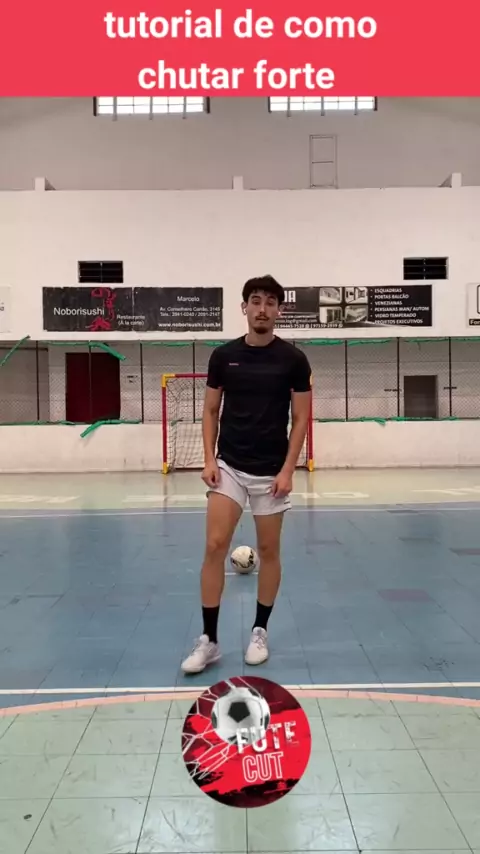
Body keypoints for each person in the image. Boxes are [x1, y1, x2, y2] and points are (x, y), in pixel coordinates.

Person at [181, 275, 312, 674]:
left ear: (279, 311)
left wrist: (288, 469)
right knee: (214, 545)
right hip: (230, 466)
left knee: (269, 551)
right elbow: (210, 410)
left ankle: (259, 631)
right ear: (244, 307)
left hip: (272, 473)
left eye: (270, 302)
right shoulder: (223, 357)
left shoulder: (293, 360)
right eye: (255, 301)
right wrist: (209, 459)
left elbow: (301, 418)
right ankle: (209, 640)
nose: (262, 309)